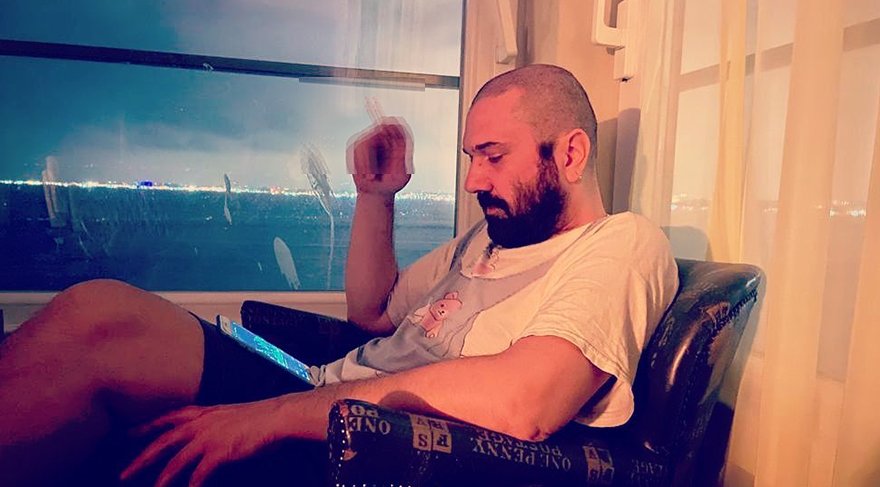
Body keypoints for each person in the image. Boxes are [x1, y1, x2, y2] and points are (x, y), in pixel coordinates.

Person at [0, 64, 678, 486]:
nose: (474, 179)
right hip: (321, 389)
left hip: (362, 444)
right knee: (95, 341)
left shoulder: (622, 245)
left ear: (571, 153)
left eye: (493, 156)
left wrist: (272, 416)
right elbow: (372, 312)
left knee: (100, 320)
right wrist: (375, 196)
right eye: (472, 157)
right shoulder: (488, 239)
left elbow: (528, 403)